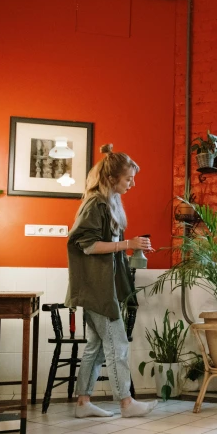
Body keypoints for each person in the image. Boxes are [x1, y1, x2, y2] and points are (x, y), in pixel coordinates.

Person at [65, 144, 156, 418]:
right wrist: (127, 244)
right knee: (118, 344)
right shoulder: (95, 204)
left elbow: (108, 246)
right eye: (128, 178)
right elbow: (88, 245)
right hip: (96, 288)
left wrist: (130, 247)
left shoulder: (109, 203)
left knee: (95, 347)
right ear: (111, 178)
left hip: (100, 287)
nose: (132, 183)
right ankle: (126, 403)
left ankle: (83, 403)